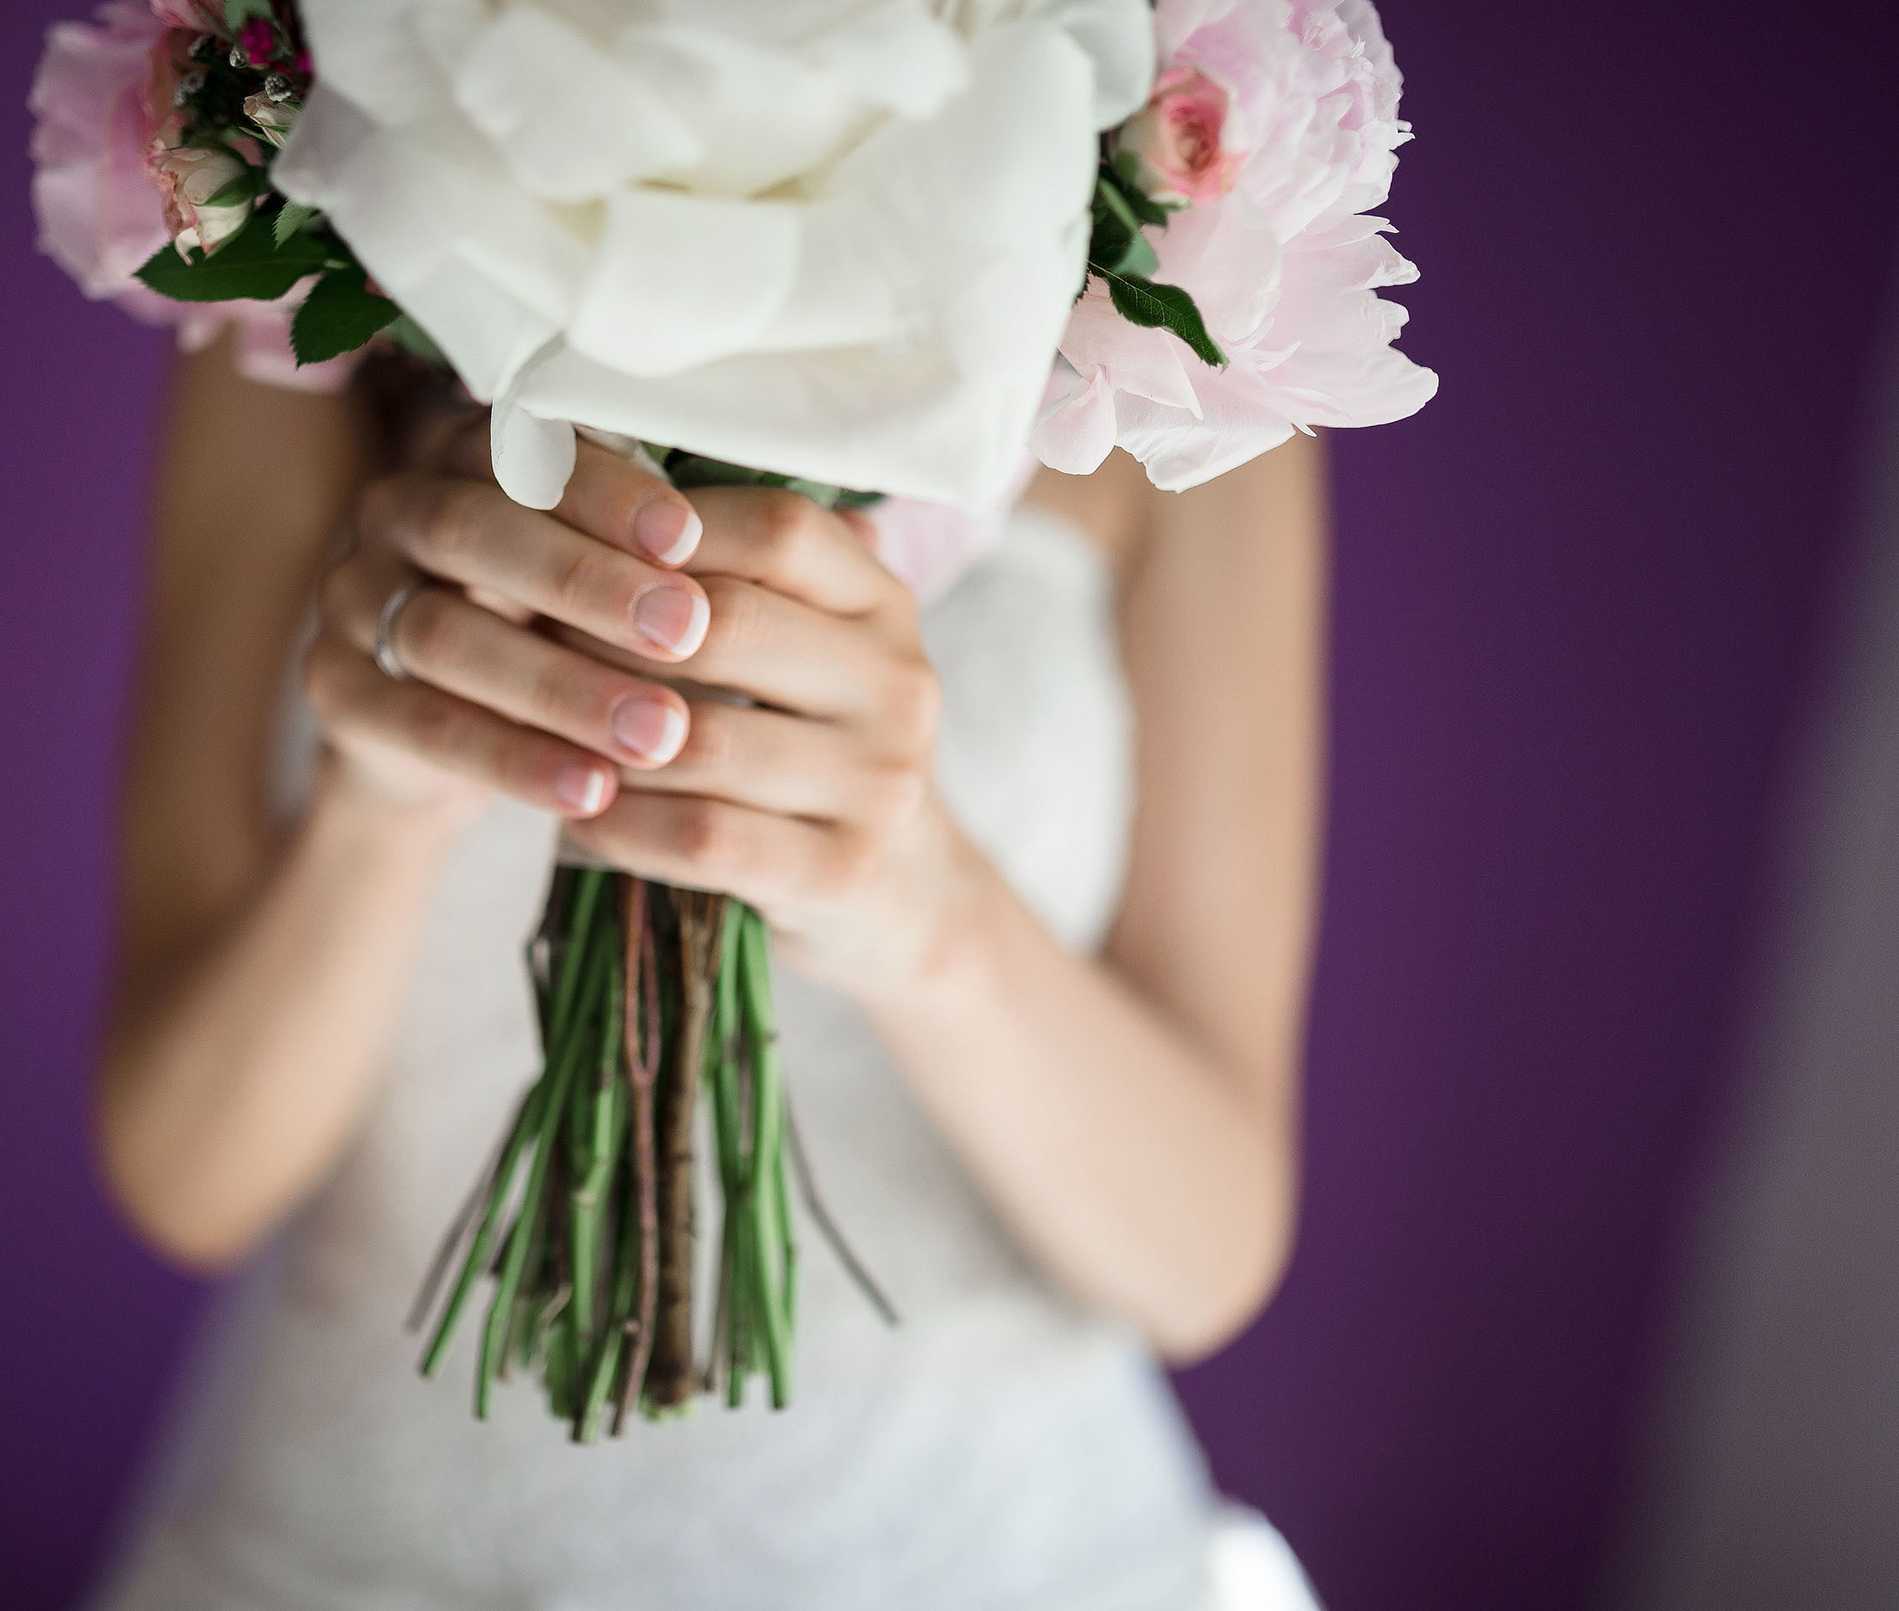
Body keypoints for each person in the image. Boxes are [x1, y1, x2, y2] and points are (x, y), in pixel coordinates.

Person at [85, 334, 1325, 1610]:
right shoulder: (297, 305)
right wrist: (380, 806)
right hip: (363, 1549)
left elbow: (1205, 1253)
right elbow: (188, 1177)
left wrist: (932, 918)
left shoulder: (1190, 324)